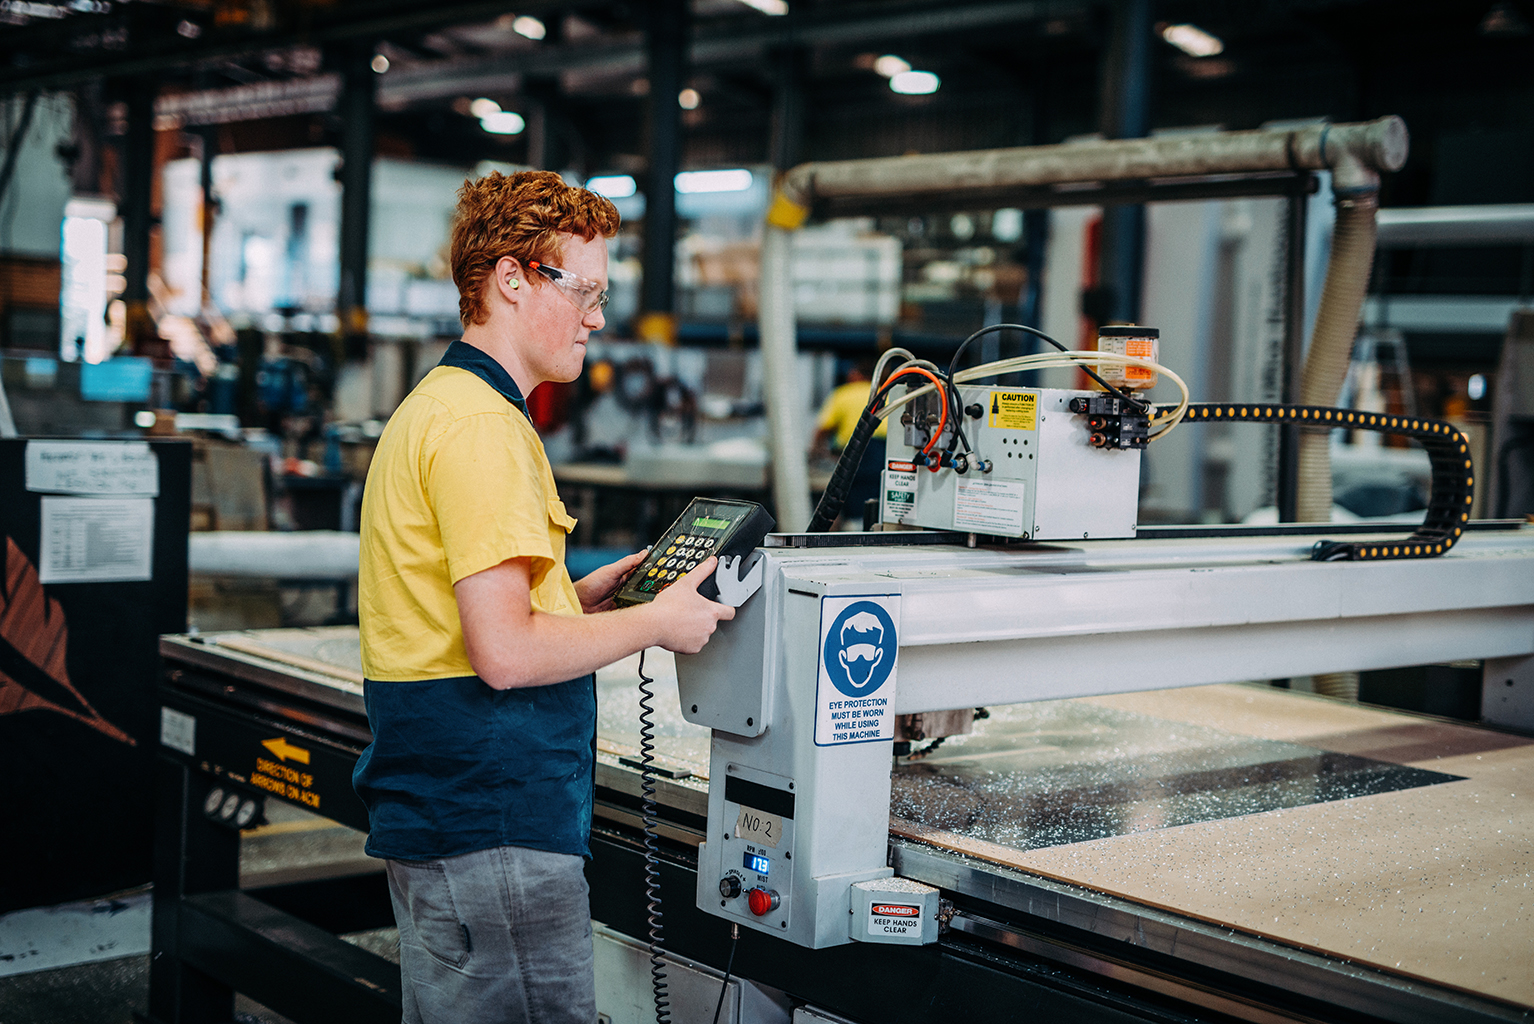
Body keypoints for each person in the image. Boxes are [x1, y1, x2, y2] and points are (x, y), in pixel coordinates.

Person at [352, 170, 735, 1024]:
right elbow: (507, 652)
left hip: (448, 819)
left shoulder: (439, 406)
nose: (598, 317)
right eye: (586, 290)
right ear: (512, 279)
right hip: (492, 825)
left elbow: (485, 617)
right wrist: (655, 621)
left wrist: (580, 601)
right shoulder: (486, 429)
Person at [811, 360, 889, 528]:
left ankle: (854, 531)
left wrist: (817, 453)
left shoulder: (844, 393)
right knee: (878, 502)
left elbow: (823, 429)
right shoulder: (887, 394)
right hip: (885, 453)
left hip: (856, 453)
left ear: (856, 374)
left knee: (852, 500)